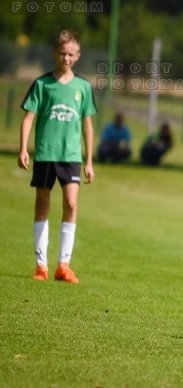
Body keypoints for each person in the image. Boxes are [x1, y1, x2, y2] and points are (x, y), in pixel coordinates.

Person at [18, 30, 97, 283]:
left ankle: (63, 265)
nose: (66, 58)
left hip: (70, 156)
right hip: (44, 154)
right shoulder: (42, 84)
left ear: (78, 56)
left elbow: (87, 126)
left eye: (71, 54)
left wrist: (89, 161)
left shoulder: (83, 87)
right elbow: (28, 118)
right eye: (62, 53)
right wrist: (23, 148)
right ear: (54, 53)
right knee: (42, 204)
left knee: (71, 204)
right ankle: (41, 266)